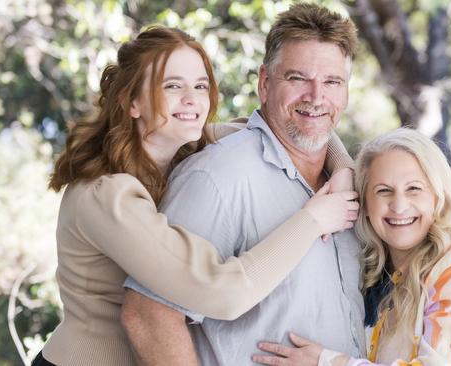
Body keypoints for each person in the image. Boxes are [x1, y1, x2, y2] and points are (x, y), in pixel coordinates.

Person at [32, 26, 360, 366]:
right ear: (132, 101)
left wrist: (343, 170)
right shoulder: (107, 195)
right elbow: (222, 292)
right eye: (172, 85)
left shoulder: (184, 145)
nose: (191, 99)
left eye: (200, 86)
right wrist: (313, 220)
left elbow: (304, 124)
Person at [121, 3, 366, 365]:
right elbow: (147, 313)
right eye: (298, 78)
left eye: (332, 82)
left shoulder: (349, 183)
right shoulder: (218, 176)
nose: (316, 97)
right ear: (265, 83)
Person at [253, 128, 451, 366]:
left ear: (438, 197)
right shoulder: (374, 274)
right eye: (383, 191)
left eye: (414, 189)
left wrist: (326, 362)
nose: (399, 206)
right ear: (366, 204)